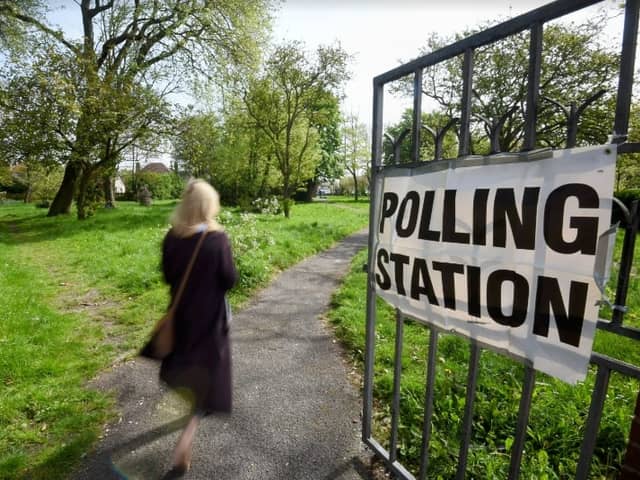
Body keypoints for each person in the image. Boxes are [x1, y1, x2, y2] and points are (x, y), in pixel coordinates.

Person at [159, 179, 237, 474]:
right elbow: (230, 280)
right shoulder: (218, 240)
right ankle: (184, 443)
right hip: (210, 321)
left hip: (180, 318)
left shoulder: (172, 237)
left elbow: (168, 277)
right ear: (209, 205)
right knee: (206, 383)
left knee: (184, 369)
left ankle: (183, 404)